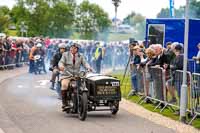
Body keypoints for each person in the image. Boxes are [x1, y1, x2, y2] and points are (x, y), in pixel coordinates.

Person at [58, 43, 92, 111]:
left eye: (75, 48)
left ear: (77, 49)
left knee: (84, 85)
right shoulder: (65, 54)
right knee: (64, 85)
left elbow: (85, 63)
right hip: (66, 75)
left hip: (77, 75)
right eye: (71, 47)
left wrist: (88, 68)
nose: (72, 49)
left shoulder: (80, 56)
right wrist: (61, 66)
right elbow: (61, 62)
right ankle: (64, 104)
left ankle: (85, 101)